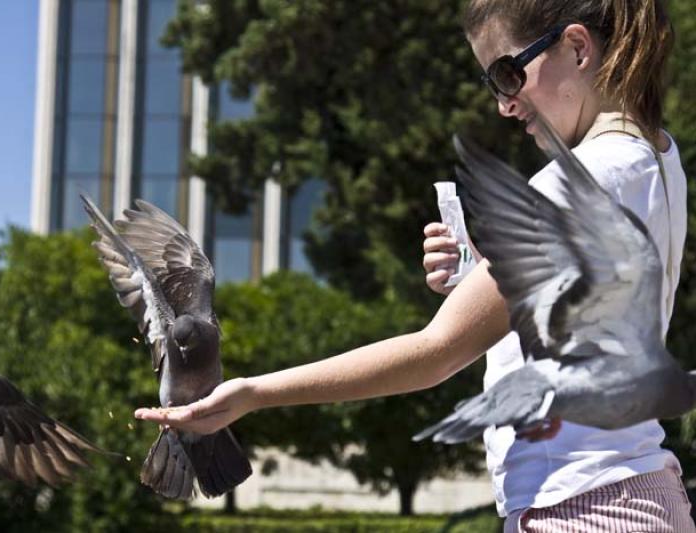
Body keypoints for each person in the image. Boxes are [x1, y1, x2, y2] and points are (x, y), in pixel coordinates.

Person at [136, 0, 694, 530]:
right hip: (632, 494)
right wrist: (481, 276)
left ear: (576, 48)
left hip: (583, 506)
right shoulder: (655, 157)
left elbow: (436, 352)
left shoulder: (573, 183)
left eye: (507, 74)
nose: (503, 103)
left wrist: (253, 393)